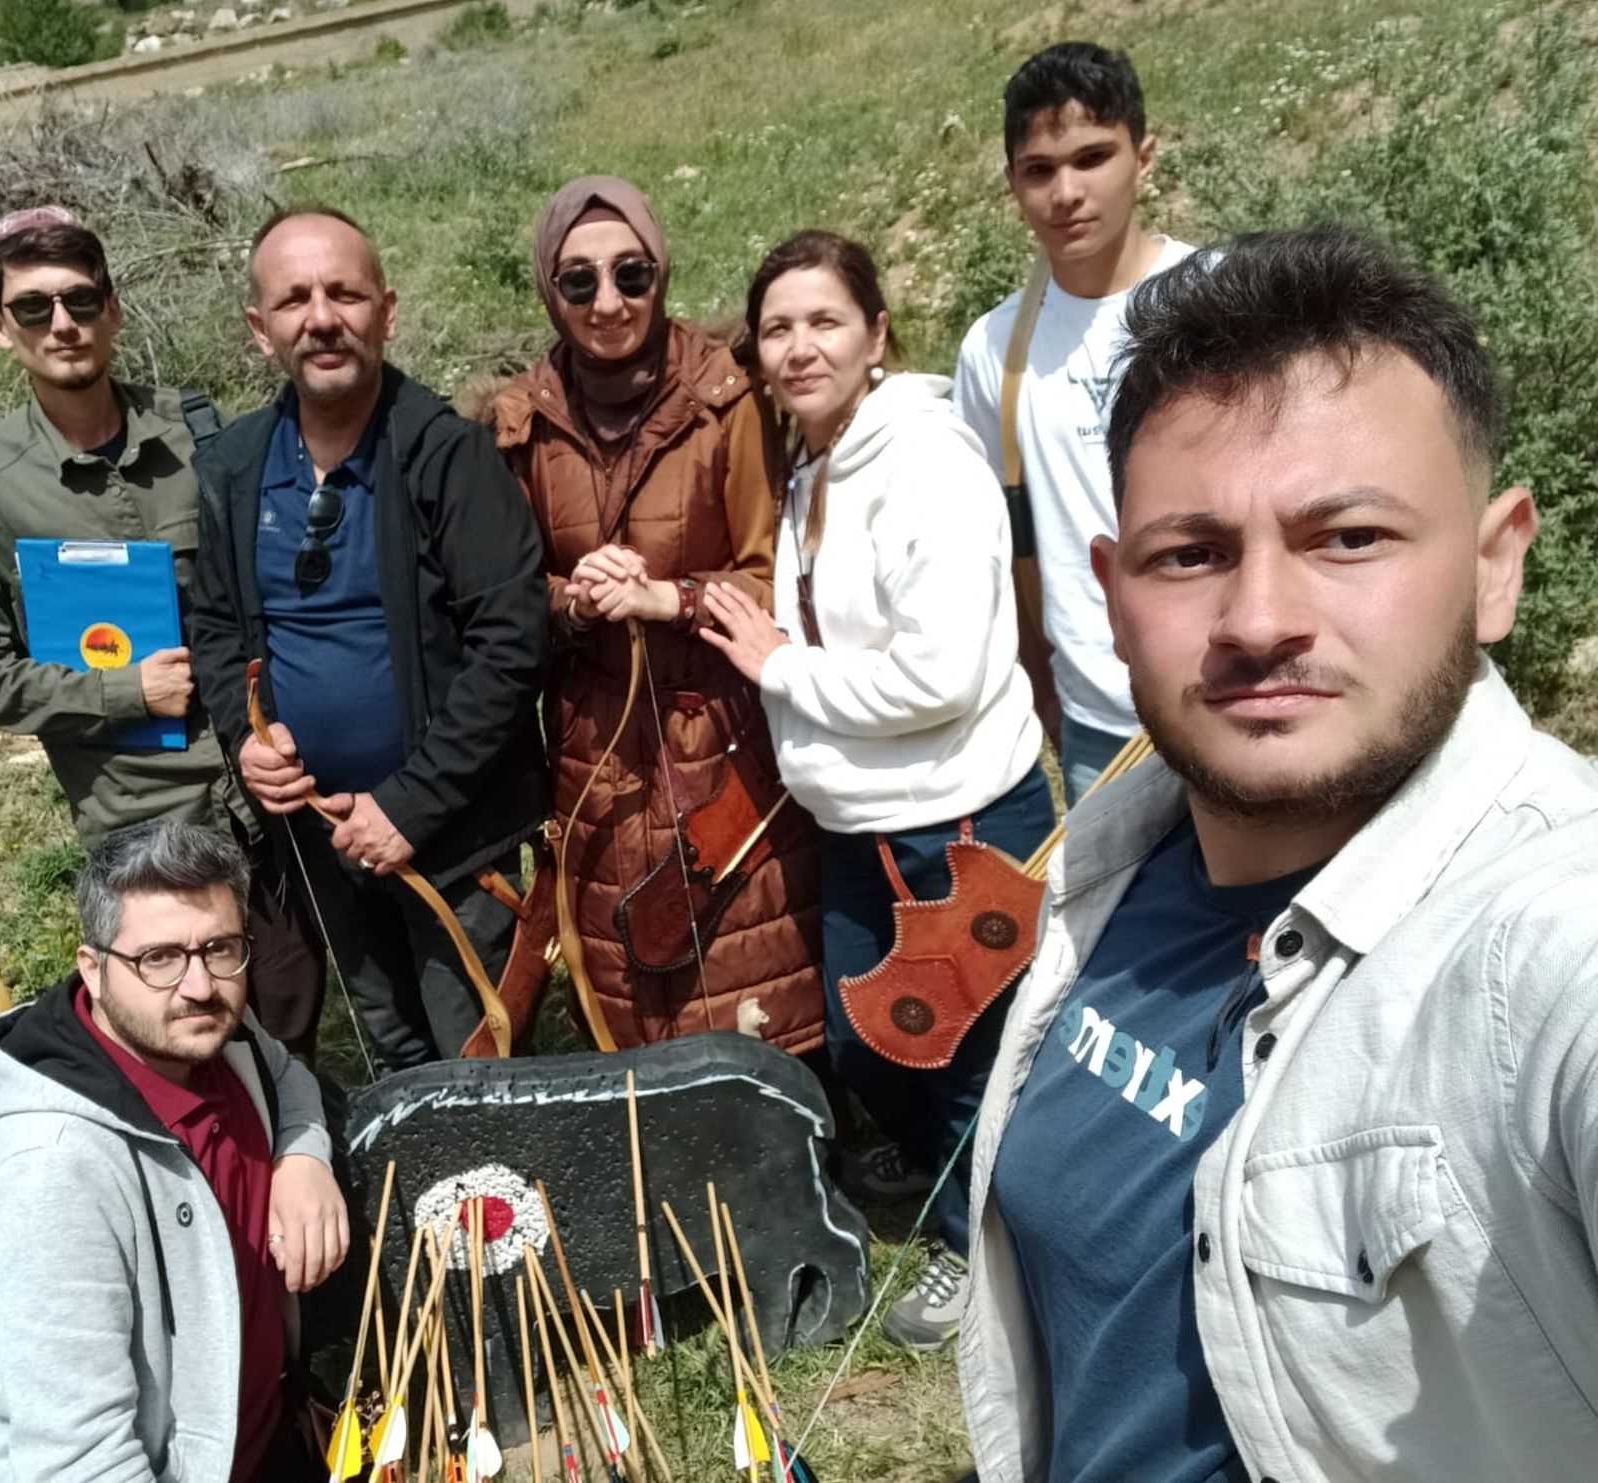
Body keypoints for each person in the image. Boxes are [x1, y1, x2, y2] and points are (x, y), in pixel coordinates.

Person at [958, 228, 1598, 1481]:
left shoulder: (1543, 944)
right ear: (1110, 594)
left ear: (1493, 564)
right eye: (1189, 554)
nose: (1257, 620)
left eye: (1347, 537)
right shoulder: (1111, 865)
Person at [701, 231, 1050, 1352]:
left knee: (962, 1053)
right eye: (777, 327)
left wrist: (780, 670)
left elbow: (940, 676)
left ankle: (981, 1251)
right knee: (865, 1040)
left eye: (825, 322)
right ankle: (946, 1164)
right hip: (864, 823)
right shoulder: (814, 462)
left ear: (876, 334)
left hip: (952, 819)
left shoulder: (926, 465)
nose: (799, 347)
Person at [0, 206, 324, 1057]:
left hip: (266, 791)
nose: (62, 324)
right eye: (33, 307)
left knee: (292, 1008)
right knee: (188, 1037)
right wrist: (121, 690)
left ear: (112, 308)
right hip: (144, 814)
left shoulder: (198, 437)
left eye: (80, 299)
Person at [191, 206, 549, 1071]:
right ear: (261, 330)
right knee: (393, 1048)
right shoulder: (236, 468)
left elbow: (513, 643)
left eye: (344, 294)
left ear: (386, 313)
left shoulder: (446, 456)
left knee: (478, 1057)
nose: (322, 318)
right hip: (320, 836)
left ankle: (492, 1165)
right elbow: (215, 626)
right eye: (295, 300)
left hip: (451, 839)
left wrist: (409, 807)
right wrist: (246, 738)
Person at [487, 175, 825, 1054]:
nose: (608, 302)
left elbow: (769, 576)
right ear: (549, 289)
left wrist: (669, 599)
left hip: (722, 730)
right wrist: (573, 597)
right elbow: (506, 594)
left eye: (630, 274)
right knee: (624, 996)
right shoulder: (521, 422)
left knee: (752, 982)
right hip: (593, 747)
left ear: (660, 272)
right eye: (579, 281)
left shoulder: (726, 397)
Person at [0, 818, 345, 1483]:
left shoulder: (218, 1033)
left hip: (271, 1438)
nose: (198, 985)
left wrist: (302, 1154)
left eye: (220, 947)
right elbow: (79, 1463)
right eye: (158, 958)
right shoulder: (50, 1171)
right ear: (93, 969)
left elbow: (288, 1076)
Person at [952, 42, 1197, 801]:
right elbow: (998, 540)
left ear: (1143, 157)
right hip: (1097, 730)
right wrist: (1042, 687)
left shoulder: (1222, 299)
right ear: (1013, 183)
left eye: (1093, 158)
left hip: (1234, 698)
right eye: (1040, 170)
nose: (1066, 193)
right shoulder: (994, 349)